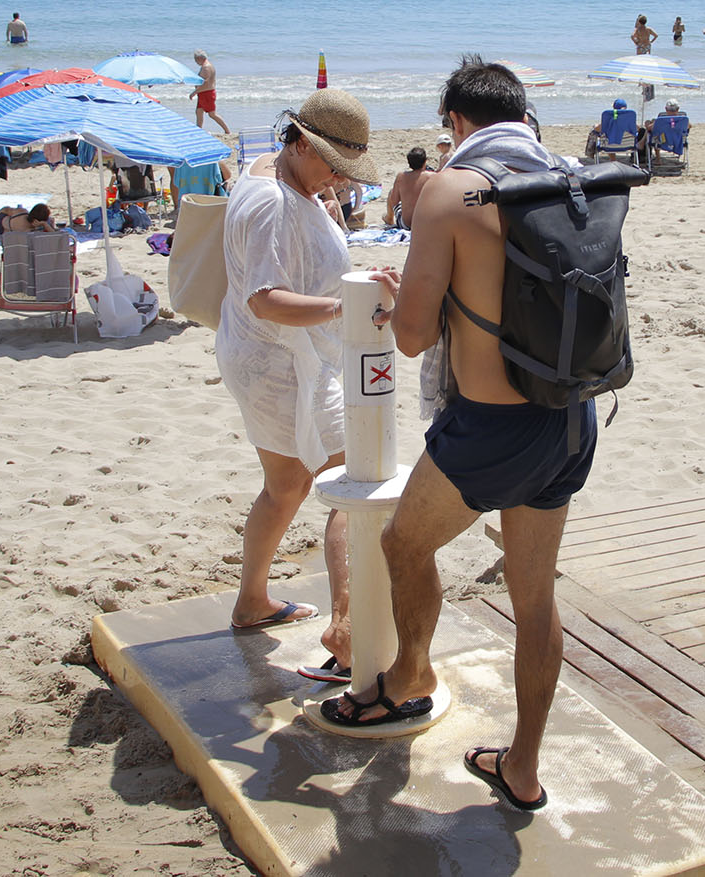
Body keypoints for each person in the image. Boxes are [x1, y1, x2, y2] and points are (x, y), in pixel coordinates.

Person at [320, 58, 592, 814]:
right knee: (535, 599)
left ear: (457, 123)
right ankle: (523, 769)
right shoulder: (568, 179)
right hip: (572, 417)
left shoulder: (449, 190)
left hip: (492, 426)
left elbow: (409, 339)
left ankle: (410, 678)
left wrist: (413, 297)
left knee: (404, 543)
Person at [216, 89, 387, 683]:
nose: (340, 181)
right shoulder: (269, 200)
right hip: (280, 362)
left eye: (347, 172)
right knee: (352, 479)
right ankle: (347, 631)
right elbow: (266, 300)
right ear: (298, 143)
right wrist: (349, 307)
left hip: (278, 357)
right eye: (333, 167)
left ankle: (252, 602)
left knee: (286, 485)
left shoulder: (283, 178)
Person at [385, 147, 431, 229]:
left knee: (391, 192)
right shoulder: (431, 176)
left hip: (405, 225)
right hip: (426, 224)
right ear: (425, 161)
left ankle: (389, 218)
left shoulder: (401, 176)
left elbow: (394, 200)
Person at [191, 51, 231, 136]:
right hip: (203, 93)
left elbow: (206, 83)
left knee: (212, 114)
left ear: (200, 59)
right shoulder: (205, 66)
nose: (196, 62)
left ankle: (227, 130)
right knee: (199, 111)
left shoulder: (206, 68)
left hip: (207, 93)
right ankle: (198, 129)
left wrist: (195, 92)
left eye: (196, 60)